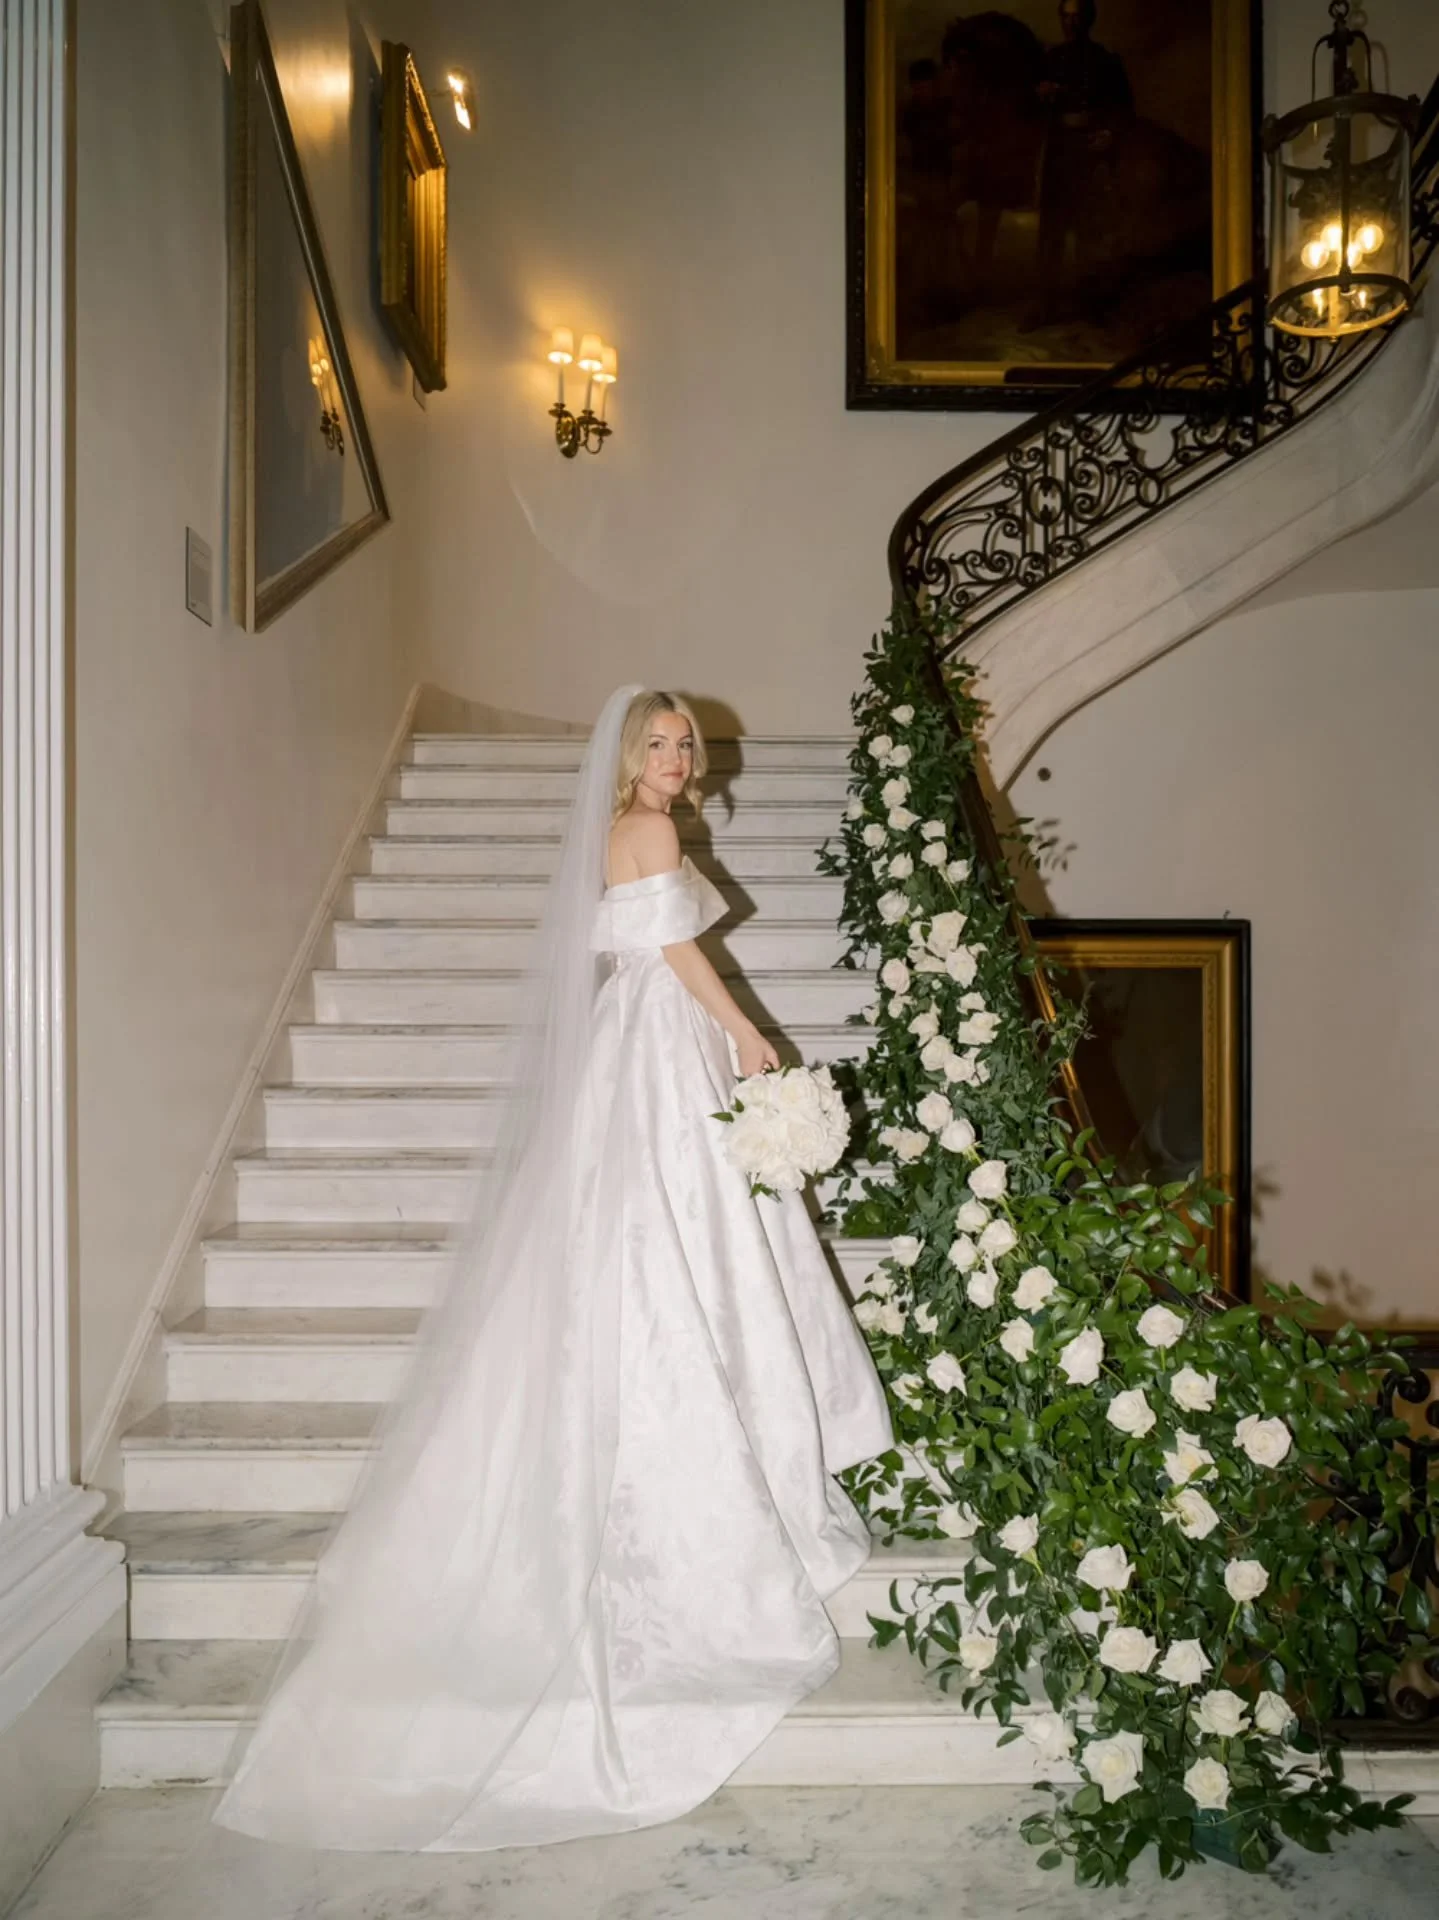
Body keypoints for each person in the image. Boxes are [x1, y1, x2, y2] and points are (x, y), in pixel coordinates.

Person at [211, 684, 894, 1852]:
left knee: (652, 1234)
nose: (679, 758)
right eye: (662, 742)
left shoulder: (612, 829)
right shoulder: (650, 829)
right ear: (630, 752)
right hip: (664, 1040)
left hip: (639, 1039)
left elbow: (646, 946)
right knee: (679, 1237)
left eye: (688, 744)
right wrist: (742, 1031)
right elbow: (676, 948)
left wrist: (718, 1029)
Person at [1030, 0, 1133, 324]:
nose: (1071, 23)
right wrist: (1041, 95)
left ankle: (1092, 308)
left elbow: (1124, 108)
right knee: (1051, 232)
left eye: (1077, 17)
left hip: (1091, 151)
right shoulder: (1051, 59)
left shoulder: (1105, 60)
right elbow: (1030, 112)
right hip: (1060, 151)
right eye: (1066, 17)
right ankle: (1044, 307)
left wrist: (1109, 134)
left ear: (1088, 20)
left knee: (1090, 231)